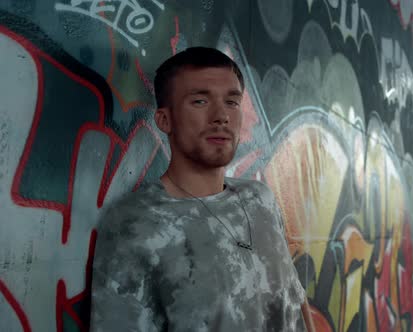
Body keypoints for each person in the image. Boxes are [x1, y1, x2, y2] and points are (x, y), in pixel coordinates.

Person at [90, 47, 314, 332]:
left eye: (232, 102)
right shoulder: (136, 225)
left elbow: (295, 300)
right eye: (199, 101)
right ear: (164, 120)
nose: (221, 116)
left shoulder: (260, 199)